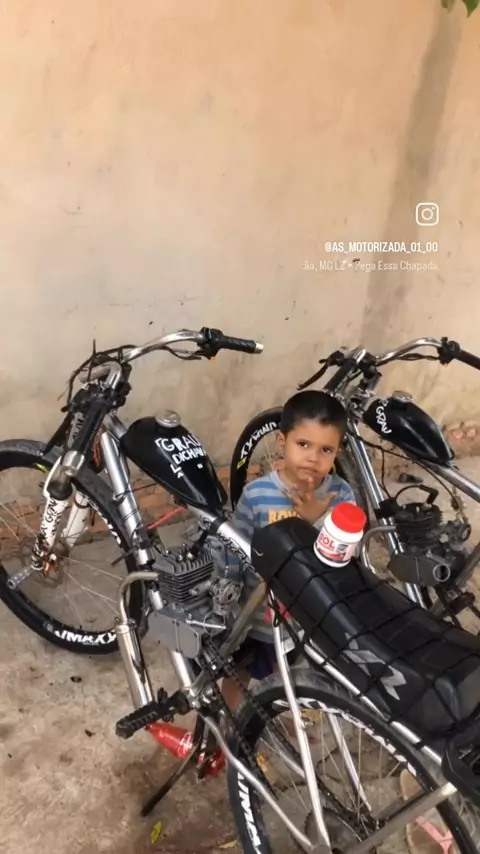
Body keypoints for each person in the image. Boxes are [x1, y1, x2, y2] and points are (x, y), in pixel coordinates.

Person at [222, 389, 357, 713]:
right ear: (282, 441)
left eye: (325, 449)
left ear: (337, 452)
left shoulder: (341, 496)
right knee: (239, 673)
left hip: (309, 617)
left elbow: (345, 557)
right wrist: (228, 598)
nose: (313, 458)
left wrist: (312, 521)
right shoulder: (257, 494)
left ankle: (292, 722)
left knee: (295, 677)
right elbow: (235, 545)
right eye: (303, 444)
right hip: (257, 616)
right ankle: (227, 724)